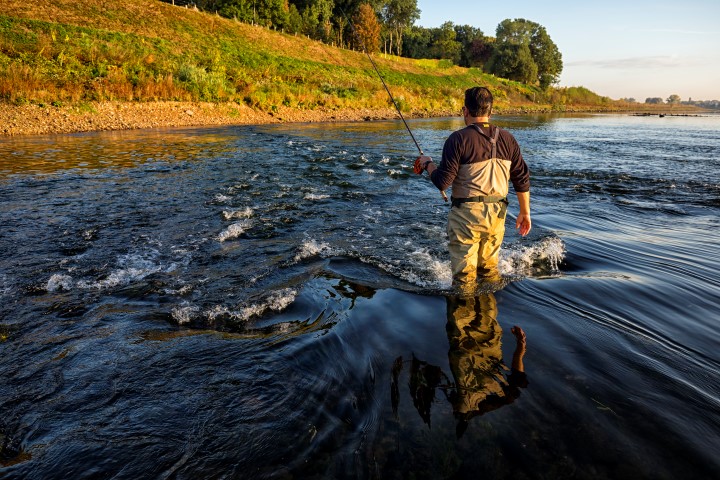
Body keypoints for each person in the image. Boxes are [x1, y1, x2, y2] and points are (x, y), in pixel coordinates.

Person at [415, 86, 531, 287]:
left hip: (467, 217)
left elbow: (443, 182)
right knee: (489, 271)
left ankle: (463, 315)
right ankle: (490, 315)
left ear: (465, 111)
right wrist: (525, 212)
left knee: (464, 279)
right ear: (490, 111)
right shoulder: (508, 139)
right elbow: (521, 177)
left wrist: (428, 164)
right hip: (498, 215)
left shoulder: (458, 139)